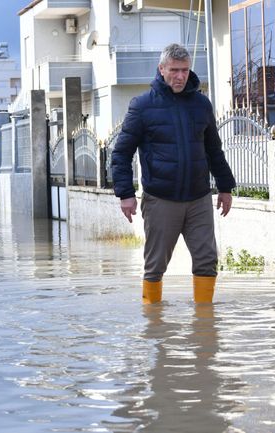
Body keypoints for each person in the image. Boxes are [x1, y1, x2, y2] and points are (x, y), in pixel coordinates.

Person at [111, 43, 236, 305]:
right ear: (162, 69)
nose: (180, 76)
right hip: (160, 199)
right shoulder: (142, 106)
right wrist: (125, 194)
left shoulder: (201, 105)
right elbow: (121, 153)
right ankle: (153, 325)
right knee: (155, 265)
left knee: (207, 260)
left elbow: (214, 149)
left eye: (185, 70)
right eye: (175, 70)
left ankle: (205, 327)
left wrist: (225, 187)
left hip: (199, 198)